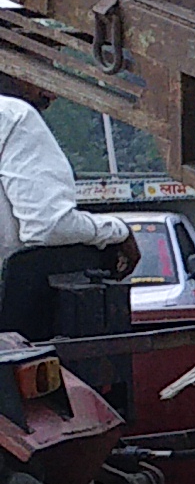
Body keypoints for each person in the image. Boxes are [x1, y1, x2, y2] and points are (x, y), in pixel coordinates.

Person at [0, 74, 130, 340]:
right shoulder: (12, 115)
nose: (52, 93)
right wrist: (118, 232)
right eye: (41, 67)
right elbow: (50, 227)